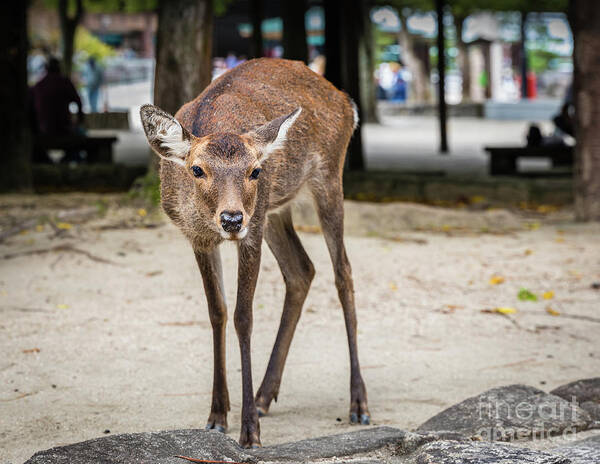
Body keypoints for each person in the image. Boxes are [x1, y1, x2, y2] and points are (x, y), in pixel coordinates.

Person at [29, 57, 84, 162]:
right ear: (59, 68)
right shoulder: (64, 83)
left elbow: (30, 108)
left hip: (42, 130)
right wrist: (80, 122)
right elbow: (79, 102)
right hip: (63, 129)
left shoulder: (38, 85)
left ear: (46, 69)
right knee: (79, 141)